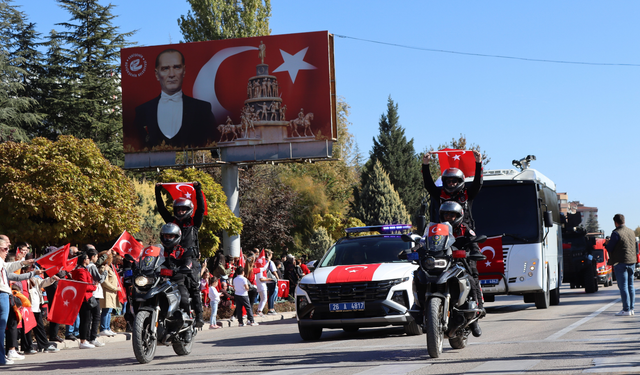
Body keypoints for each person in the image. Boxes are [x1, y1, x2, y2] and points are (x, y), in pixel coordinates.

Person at [134, 48, 216, 150]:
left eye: (177, 67)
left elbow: (213, 143)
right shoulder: (142, 111)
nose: (172, 74)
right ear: (156, 74)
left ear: (184, 71)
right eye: (165, 68)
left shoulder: (203, 109)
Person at [156, 181, 206, 327]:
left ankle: (199, 316)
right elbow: (161, 209)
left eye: (183, 209)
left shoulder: (194, 223)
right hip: (172, 259)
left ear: (189, 210)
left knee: (193, 287)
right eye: (178, 209)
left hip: (189, 260)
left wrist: (198, 189)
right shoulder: (171, 221)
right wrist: (157, 191)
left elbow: (201, 209)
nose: (180, 212)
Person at [439, 201, 486, 337]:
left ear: (458, 216)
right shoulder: (438, 229)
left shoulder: (465, 229)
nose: (448, 217)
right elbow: (426, 240)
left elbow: (474, 244)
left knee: (472, 281)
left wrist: (474, 252)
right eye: (446, 214)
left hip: (463, 262)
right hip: (443, 262)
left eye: (452, 215)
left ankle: (475, 318)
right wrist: (416, 248)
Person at [422, 150, 483, 228]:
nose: (451, 183)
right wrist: (425, 164)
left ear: (459, 181)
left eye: (454, 181)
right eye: (448, 181)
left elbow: (478, 183)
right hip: (443, 232)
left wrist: (478, 162)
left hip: (464, 234)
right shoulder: (440, 194)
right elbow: (428, 185)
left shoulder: (467, 194)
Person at [160, 223, 197, 319]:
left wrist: (186, 267)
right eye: (166, 236)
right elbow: (149, 260)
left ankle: (188, 319)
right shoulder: (158, 250)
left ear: (177, 237)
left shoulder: (182, 251)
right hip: (159, 282)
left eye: (171, 236)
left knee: (184, 299)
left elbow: (188, 261)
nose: (168, 239)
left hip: (177, 282)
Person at [605, 214, 637, 316]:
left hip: (620, 262)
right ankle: (631, 309)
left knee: (623, 286)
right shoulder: (631, 232)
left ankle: (626, 309)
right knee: (630, 286)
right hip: (632, 261)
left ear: (615, 222)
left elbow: (610, 248)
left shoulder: (616, 233)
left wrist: (606, 243)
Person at [70, 251, 99, 349]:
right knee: (85, 320)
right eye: (87, 258)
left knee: (88, 319)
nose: (89, 260)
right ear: (83, 260)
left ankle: (86, 339)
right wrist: (94, 286)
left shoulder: (82, 269)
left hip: (87, 297)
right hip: (85, 298)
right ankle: (83, 340)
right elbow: (84, 286)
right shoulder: (80, 271)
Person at [98, 251, 118, 337]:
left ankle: (107, 328)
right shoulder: (103, 268)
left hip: (111, 293)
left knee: (109, 311)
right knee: (105, 311)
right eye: (111, 257)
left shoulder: (109, 268)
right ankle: (103, 328)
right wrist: (115, 288)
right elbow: (105, 282)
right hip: (107, 292)